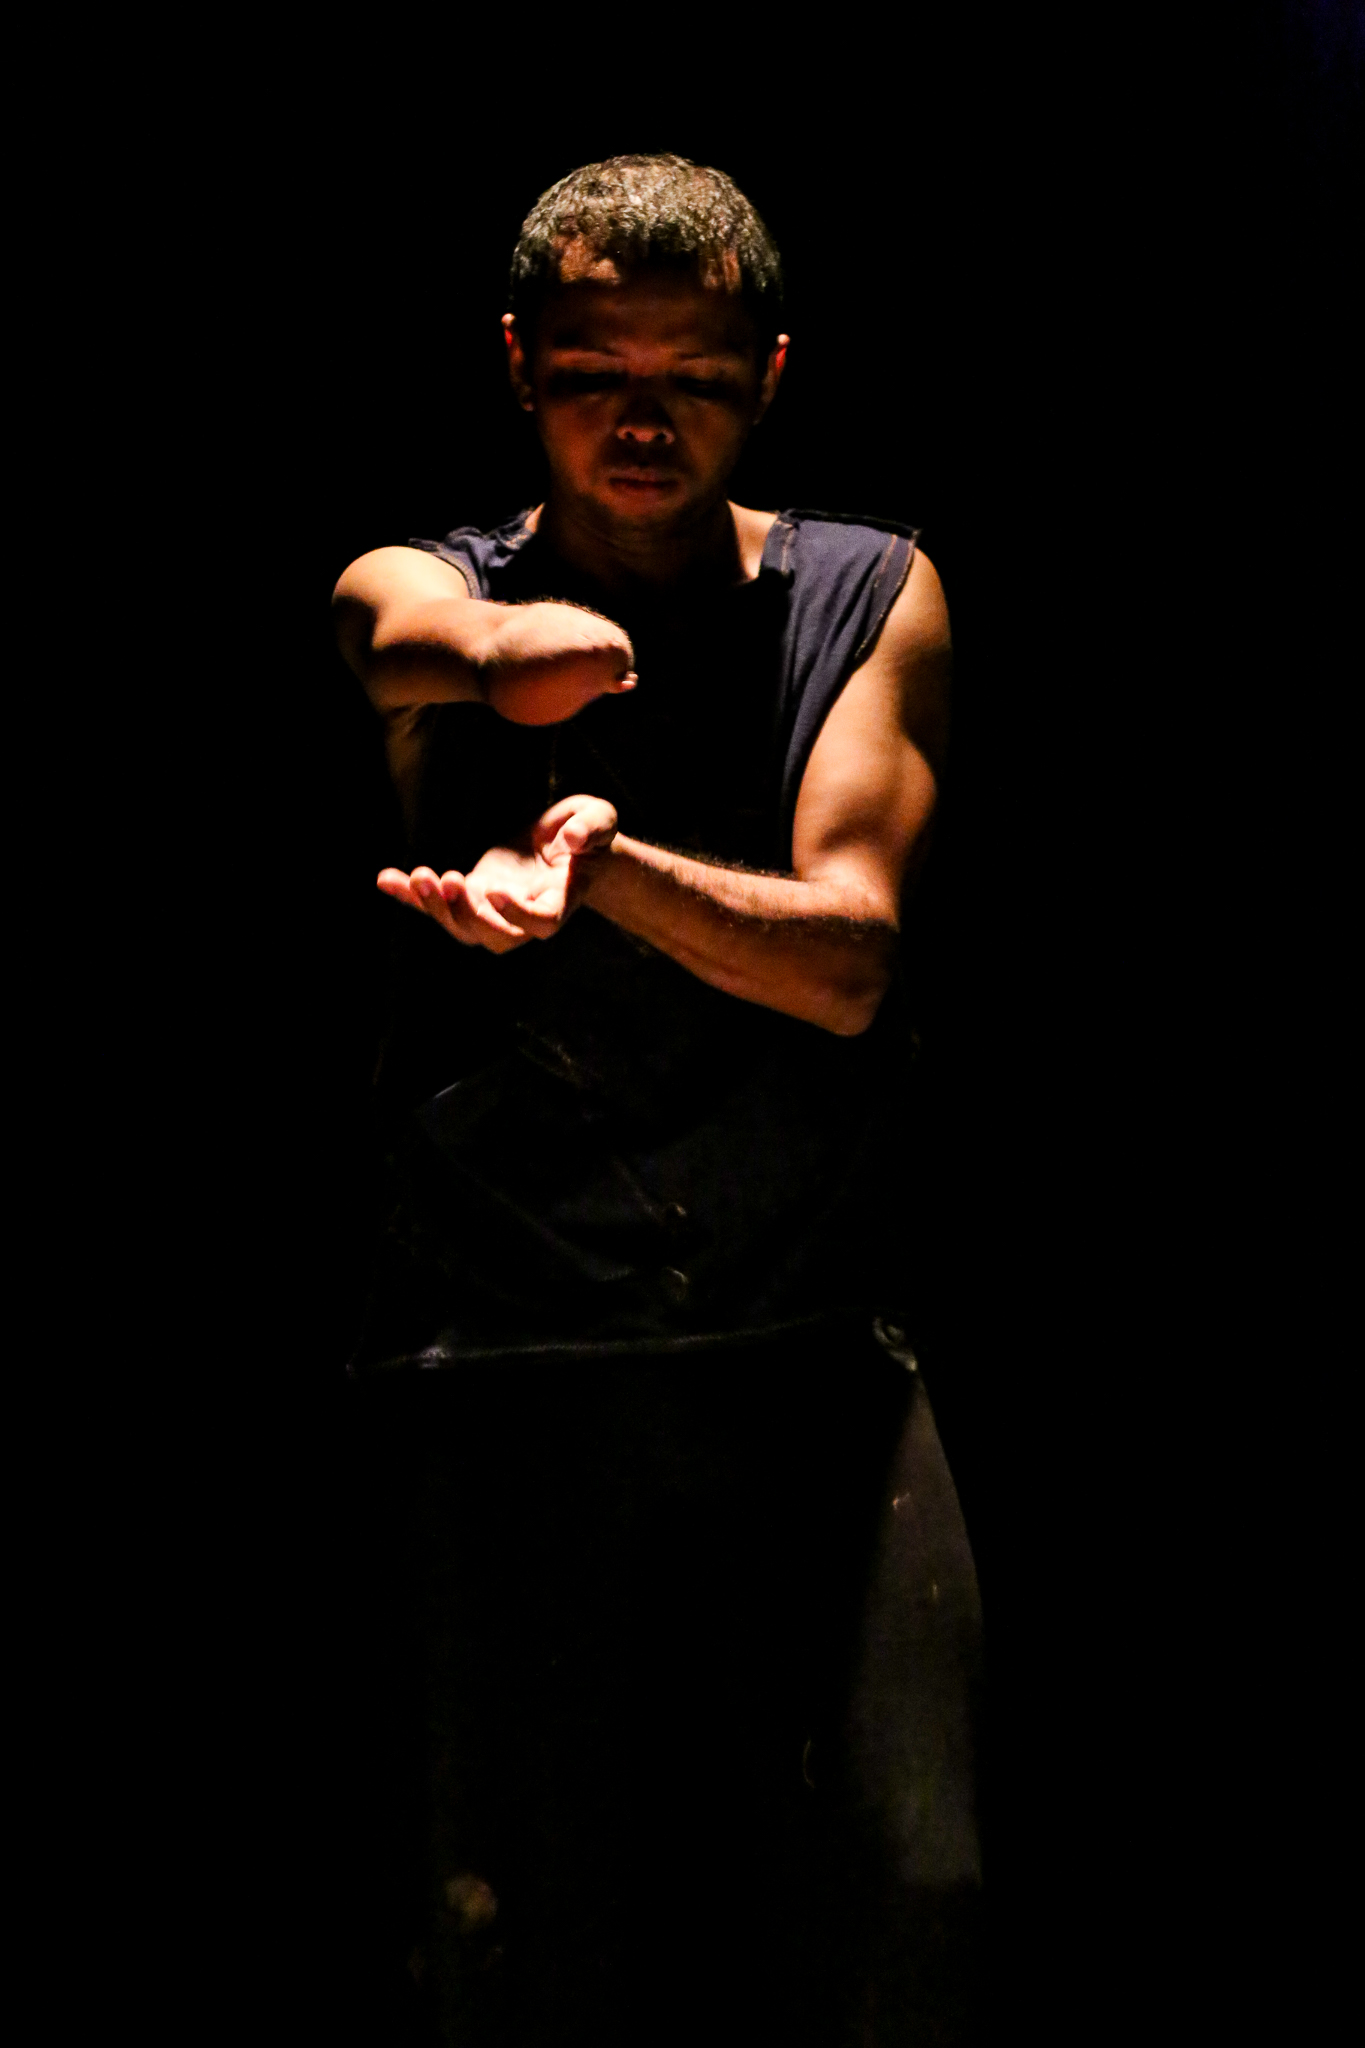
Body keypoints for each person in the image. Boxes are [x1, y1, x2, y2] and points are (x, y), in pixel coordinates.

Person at [331, 154, 981, 2046]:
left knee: (900, 1915)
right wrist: (523, 657)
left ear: (766, 375)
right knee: (524, 1948)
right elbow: (413, 634)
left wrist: (600, 869)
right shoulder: (432, 577)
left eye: (690, 380)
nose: (640, 422)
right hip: (496, 1357)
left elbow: (846, 962)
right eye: (592, 375)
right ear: (515, 364)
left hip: (802, 1355)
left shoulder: (864, 587)